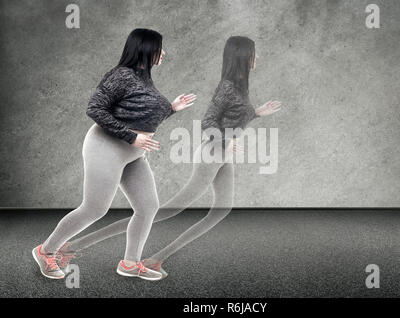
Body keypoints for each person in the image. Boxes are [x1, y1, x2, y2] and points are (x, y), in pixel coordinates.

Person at [51, 36, 281, 280]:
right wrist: (227, 139)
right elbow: (208, 124)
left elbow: (229, 117)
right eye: (253, 53)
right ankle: (74, 246)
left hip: (210, 153)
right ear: (244, 56)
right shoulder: (227, 87)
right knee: (165, 210)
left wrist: (255, 113)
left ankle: (146, 260)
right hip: (211, 152)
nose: (257, 58)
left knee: (215, 209)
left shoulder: (238, 85)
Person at [32, 28, 196, 281]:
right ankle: (46, 251)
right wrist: (132, 137)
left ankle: (130, 264)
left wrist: (172, 108)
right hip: (105, 147)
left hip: (133, 154)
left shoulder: (143, 77)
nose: (164, 53)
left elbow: (140, 113)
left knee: (148, 206)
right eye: (159, 47)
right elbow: (94, 108)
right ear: (145, 48)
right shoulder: (121, 75)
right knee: (95, 208)